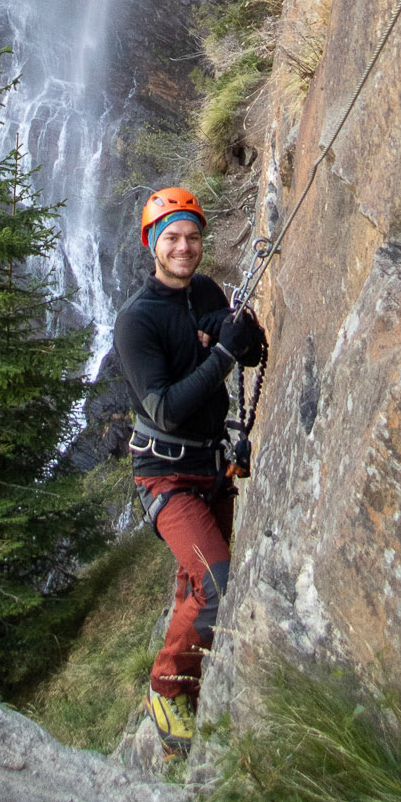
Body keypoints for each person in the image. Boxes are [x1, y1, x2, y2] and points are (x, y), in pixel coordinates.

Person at [113, 186, 265, 753]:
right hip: (167, 474)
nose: (184, 247)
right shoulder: (136, 321)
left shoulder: (206, 291)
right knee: (217, 581)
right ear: (152, 244)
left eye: (193, 237)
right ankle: (167, 688)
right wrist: (222, 354)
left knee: (196, 582)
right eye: (172, 237)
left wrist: (239, 336)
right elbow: (166, 409)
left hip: (211, 464)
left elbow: (248, 352)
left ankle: (192, 688)